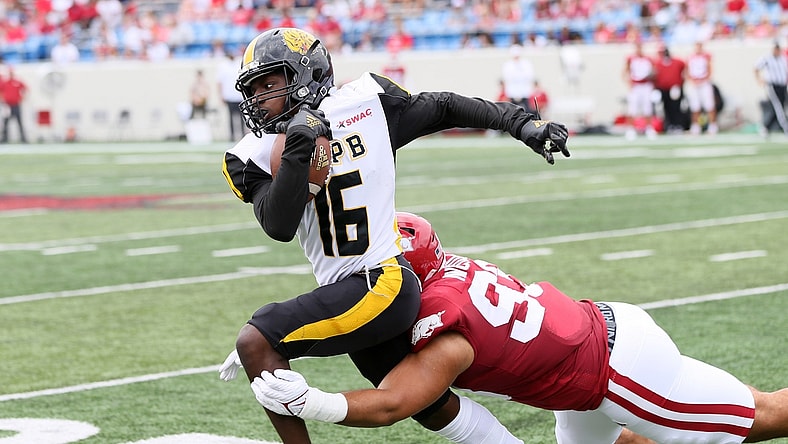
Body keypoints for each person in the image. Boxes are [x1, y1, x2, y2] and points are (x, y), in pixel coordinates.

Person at [219, 27, 570, 444]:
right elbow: (277, 224)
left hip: (381, 280)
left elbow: (444, 107)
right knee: (429, 405)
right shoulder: (249, 156)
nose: (259, 99)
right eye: (253, 88)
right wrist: (301, 143)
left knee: (256, 340)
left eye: (270, 83)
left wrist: (520, 123)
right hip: (349, 290)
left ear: (305, 76)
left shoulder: (366, 104)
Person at [250, 211, 788, 444]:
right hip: (600, 345)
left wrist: (313, 402)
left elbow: (395, 403)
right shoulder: (444, 271)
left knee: (765, 415)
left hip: (618, 372)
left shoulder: (446, 331)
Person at [623, 40, 657, 140]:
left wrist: (651, 76)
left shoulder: (648, 59)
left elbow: (654, 72)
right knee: (632, 108)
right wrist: (629, 83)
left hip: (646, 85)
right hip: (636, 86)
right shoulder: (630, 59)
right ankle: (631, 129)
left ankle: (649, 128)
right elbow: (625, 72)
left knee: (647, 108)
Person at [754, 42, 788, 136]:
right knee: (778, 107)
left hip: (782, 86)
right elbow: (756, 67)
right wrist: (759, 80)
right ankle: (786, 127)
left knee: (778, 107)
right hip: (773, 86)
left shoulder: (782, 58)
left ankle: (765, 127)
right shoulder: (767, 58)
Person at [685, 40, 718, 135]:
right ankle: (695, 126)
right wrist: (692, 80)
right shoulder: (690, 57)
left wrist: (705, 79)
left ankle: (712, 126)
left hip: (704, 83)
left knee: (709, 105)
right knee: (695, 106)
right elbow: (687, 70)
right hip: (694, 84)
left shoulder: (706, 56)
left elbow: (710, 68)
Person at [653, 45, 686, 134]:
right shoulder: (658, 63)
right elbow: (655, 75)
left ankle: (678, 124)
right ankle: (669, 125)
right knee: (665, 108)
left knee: (676, 107)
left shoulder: (677, 62)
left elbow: (684, 71)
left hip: (674, 88)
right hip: (663, 89)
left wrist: (680, 84)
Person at [217, 49, 245, 141]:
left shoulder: (239, 63)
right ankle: (232, 136)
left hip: (239, 96)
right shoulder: (223, 65)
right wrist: (221, 96)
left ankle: (242, 135)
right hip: (229, 96)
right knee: (231, 117)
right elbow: (220, 82)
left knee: (241, 118)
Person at [501, 43, 535, 114]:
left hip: (524, 92)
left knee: (528, 110)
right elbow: (507, 77)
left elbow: (529, 76)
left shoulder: (526, 64)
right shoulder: (508, 65)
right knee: (512, 111)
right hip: (512, 92)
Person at [1, 67, 28, 144]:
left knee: (19, 121)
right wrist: (3, 100)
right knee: (6, 122)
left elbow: (25, 89)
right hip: (7, 105)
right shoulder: (4, 82)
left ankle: (23, 138)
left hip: (16, 105)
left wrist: (22, 98)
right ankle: (4, 138)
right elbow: (1, 91)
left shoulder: (17, 82)